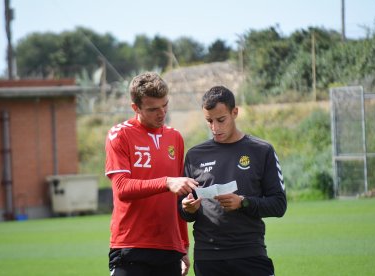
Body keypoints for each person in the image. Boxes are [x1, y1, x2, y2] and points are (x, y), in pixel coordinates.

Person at [179, 86, 287, 276]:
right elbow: (182, 211)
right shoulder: (195, 155)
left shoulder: (262, 151)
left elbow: (279, 205)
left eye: (221, 120)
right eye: (209, 121)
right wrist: (188, 208)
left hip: (249, 254)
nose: (215, 127)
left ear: (234, 112)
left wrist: (243, 202)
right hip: (208, 258)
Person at [105, 72, 198, 276]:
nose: (162, 112)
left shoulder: (175, 138)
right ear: (135, 108)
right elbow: (121, 188)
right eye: (153, 108)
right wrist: (166, 182)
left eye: (165, 105)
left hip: (169, 248)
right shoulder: (120, 134)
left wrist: (183, 244)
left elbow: (179, 195)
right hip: (131, 244)